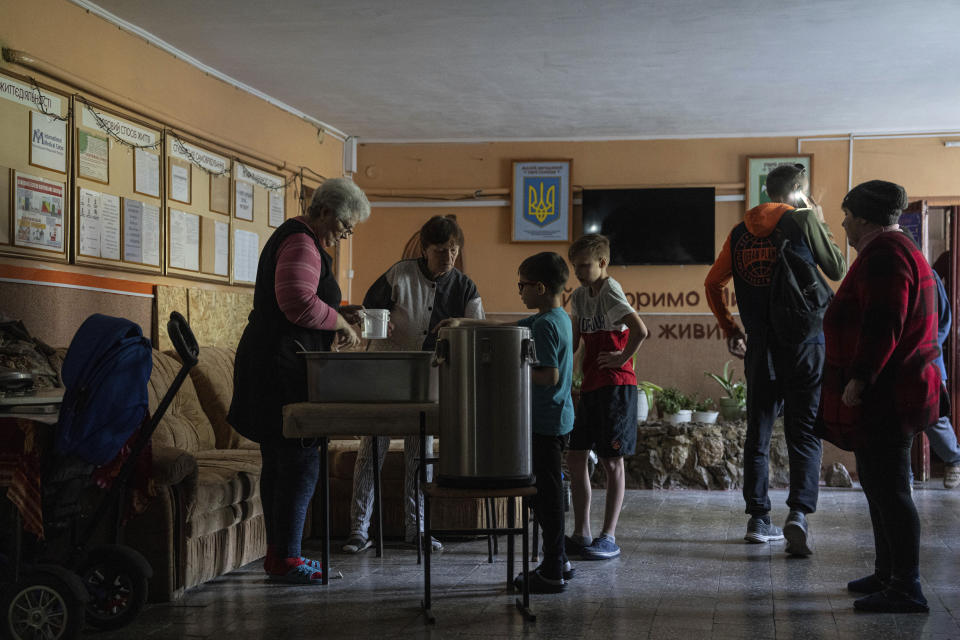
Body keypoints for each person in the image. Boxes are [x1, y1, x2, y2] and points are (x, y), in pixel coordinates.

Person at [227, 178, 371, 584]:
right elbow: (296, 302)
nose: (347, 232)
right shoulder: (302, 242)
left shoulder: (301, 239)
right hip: (280, 372)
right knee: (299, 463)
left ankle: (280, 557)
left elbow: (304, 299)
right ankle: (287, 558)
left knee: (282, 464)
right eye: (346, 222)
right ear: (323, 210)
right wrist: (339, 319)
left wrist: (343, 312)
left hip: (272, 366)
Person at [704, 163, 846, 554]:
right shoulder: (803, 220)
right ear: (797, 189)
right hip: (804, 345)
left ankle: (758, 518)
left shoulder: (739, 233)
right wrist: (819, 221)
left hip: (760, 347)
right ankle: (798, 514)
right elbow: (837, 267)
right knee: (803, 432)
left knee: (759, 435)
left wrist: (731, 329)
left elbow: (712, 283)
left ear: (767, 190)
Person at [818, 180, 941, 613]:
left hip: (888, 393)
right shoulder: (897, 250)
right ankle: (888, 572)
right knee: (878, 484)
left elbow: (884, 322)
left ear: (866, 218)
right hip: (896, 390)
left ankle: (906, 586)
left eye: (847, 214)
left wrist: (860, 377)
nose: (844, 222)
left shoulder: (885, 255)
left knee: (891, 489)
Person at [343, 216, 484, 554]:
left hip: (429, 377)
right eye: (440, 251)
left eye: (453, 250)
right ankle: (358, 531)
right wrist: (380, 324)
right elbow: (370, 311)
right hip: (386, 371)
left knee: (419, 453)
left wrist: (459, 324)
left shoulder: (465, 286)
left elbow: (478, 329)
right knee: (371, 449)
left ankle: (416, 529)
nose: (448, 258)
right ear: (425, 249)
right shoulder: (400, 273)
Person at [438, 251, 575, 592]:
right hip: (557, 419)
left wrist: (510, 374)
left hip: (546, 422)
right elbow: (506, 329)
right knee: (547, 495)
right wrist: (461, 323)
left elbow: (549, 375)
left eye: (522, 285)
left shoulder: (544, 325)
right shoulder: (556, 317)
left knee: (547, 498)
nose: (519, 291)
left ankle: (553, 570)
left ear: (540, 287)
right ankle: (560, 560)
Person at [565, 234, 648, 561]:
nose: (579, 272)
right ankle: (582, 532)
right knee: (575, 457)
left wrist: (621, 357)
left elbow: (640, 330)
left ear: (603, 263)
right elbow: (573, 344)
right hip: (590, 387)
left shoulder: (611, 289)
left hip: (616, 385)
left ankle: (608, 536)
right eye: (575, 267)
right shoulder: (579, 297)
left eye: (585, 265)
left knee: (613, 462)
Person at [926, 253, 960, 489]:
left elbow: (944, 321)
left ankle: (954, 460)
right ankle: (902, 476)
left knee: (934, 416)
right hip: (901, 361)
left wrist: (929, 347)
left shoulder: (931, 276)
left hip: (929, 359)